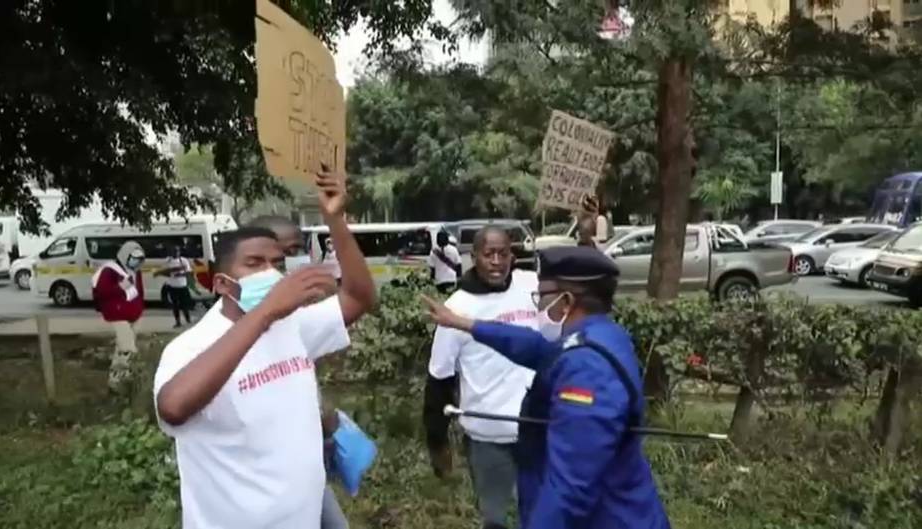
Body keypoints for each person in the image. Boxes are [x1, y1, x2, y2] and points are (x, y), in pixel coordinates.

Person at [153, 169, 377, 529]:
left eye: (277, 263)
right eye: (255, 264)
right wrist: (266, 311)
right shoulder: (192, 346)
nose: (271, 273)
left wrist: (334, 219)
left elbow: (360, 297)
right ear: (223, 284)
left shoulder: (293, 325)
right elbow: (173, 407)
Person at [423, 246, 670, 529]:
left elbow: (569, 488)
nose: (538, 305)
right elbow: (532, 346)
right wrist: (463, 323)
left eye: (541, 297)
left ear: (565, 301)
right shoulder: (599, 335)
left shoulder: (587, 371)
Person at [424, 226, 557, 529]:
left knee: (545, 516)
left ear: (513, 255)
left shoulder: (531, 286)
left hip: (539, 431)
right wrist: (437, 442)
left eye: (504, 253)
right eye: (488, 254)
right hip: (489, 439)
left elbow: (577, 287)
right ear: (474, 257)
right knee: (498, 520)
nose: (497, 261)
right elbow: (439, 379)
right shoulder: (456, 307)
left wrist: (589, 236)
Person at [246, 216, 349, 529]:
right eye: (264, 259)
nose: (282, 266)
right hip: (263, 477)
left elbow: (359, 299)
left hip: (306, 464)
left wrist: (321, 415)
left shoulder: (299, 317)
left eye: (292, 253)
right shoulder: (228, 334)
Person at [91, 241, 146, 393]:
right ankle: (116, 381)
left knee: (122, 347)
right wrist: (120, 288)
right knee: (127, 347)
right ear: (125, 255)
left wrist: (140, 308)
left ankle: (124, 377)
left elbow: (140, 291)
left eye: (139, 258)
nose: (136, 261)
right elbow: (102, 292)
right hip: (117, 315)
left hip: (134, 314)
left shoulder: (136, 271)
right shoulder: (110, 270)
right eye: (133, 257)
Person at [156, 245, 194, 328]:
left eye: (177, 251)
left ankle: (188, 319)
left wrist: (180, 274)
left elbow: (189, 272)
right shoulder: (168, 261)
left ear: (179, 252)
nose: (175, 253)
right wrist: (169, 272)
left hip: (182, 286)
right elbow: (163, 271)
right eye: (173, 251)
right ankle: (178, 322)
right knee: (175, 305)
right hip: (172, 286)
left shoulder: (183, 260)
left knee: (185, 305)